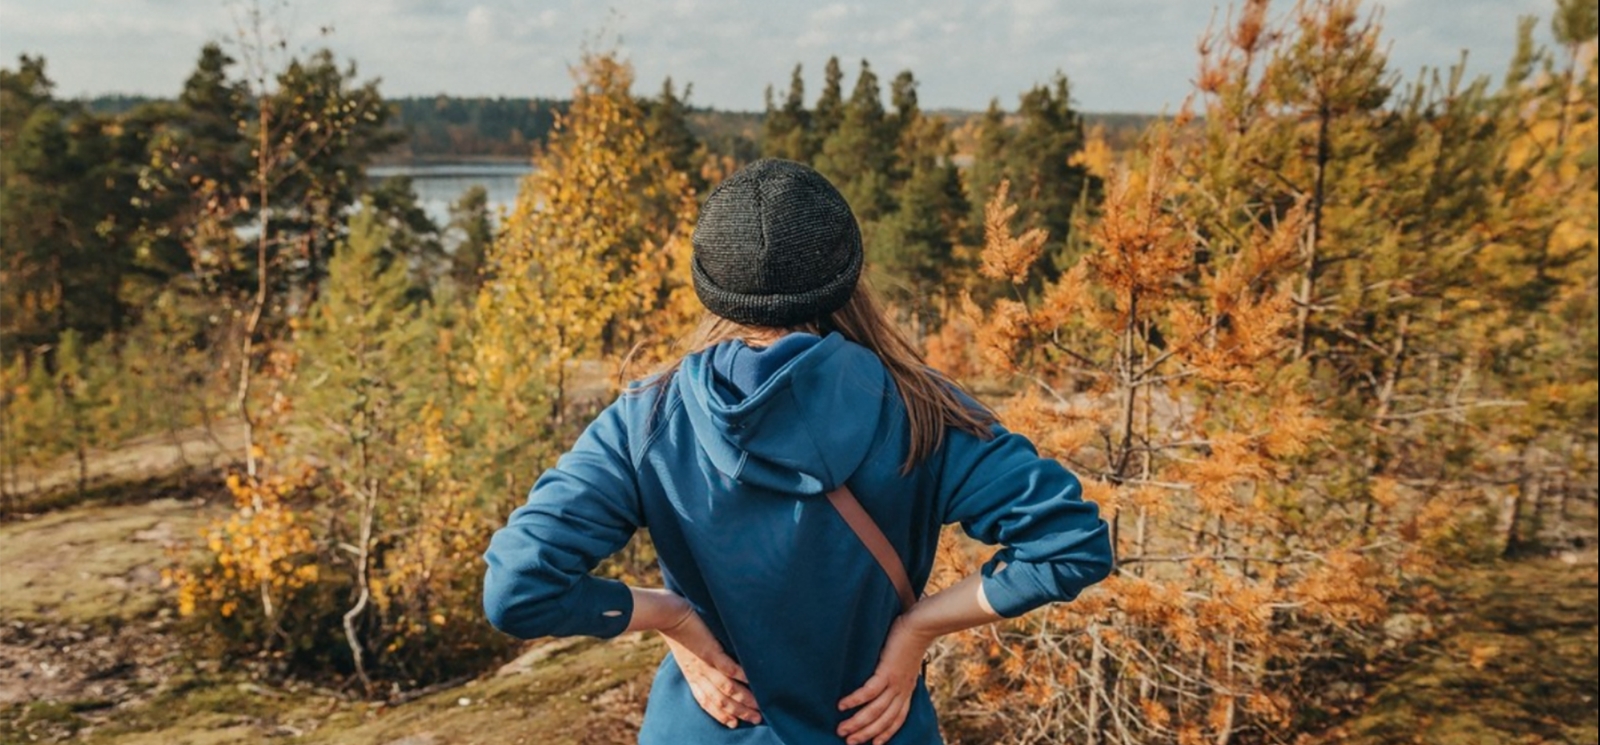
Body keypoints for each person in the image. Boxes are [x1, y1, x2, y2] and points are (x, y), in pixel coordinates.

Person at [482, 158, 1113, 745]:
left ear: (711, 287)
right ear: (848, 274)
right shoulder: (923, 410)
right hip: (873, 725)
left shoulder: (645, 418)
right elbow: (1071, 544)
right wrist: (916, 630)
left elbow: (518, 587)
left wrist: (670, 618)